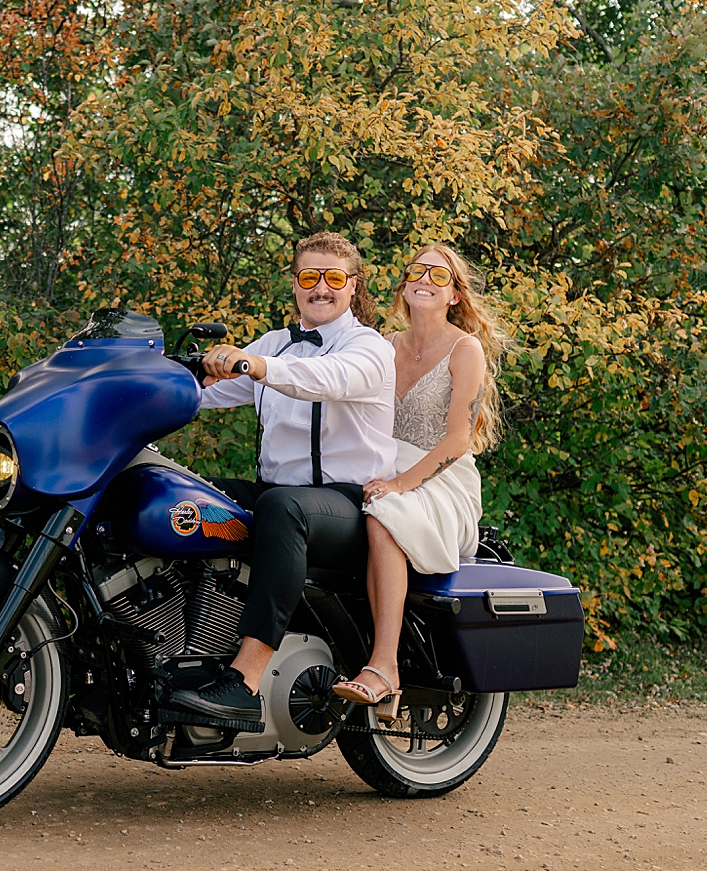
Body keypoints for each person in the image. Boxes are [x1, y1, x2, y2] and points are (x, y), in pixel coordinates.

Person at [164, 232, 397, 732]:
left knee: (282, 508)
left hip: (347, 508)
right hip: (278, 496)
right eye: (309, 277)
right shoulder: (275, 343)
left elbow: (324, 378)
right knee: (175, 495)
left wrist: (253, 364)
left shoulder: (370, 348)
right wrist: (150, 382)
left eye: (333, 278)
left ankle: (244, 683)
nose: (321, 289)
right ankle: (181, 650)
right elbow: (205, 393)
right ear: (295, 285)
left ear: (353, 287)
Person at [331, 243, 506, 720]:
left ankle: (385, 669)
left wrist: (401, 485)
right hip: (384, 466)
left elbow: (456, 442)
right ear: (405, 285)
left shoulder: (464, 350)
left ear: (454, 295)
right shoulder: (385, 345)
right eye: (416, 270)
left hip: (441, 478)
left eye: (439, 274)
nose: (424, 278)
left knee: (384, 516)